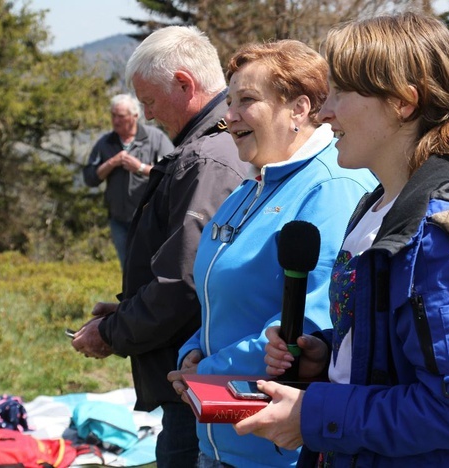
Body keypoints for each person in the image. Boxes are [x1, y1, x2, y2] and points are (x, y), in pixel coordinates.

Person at [234, 13, 449, 467]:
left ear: (404, 103)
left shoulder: (439, 237)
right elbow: (407, 348)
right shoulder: (377, 208)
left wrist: (313, 413)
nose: (323, 111)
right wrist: (330, 354)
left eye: (342, 93)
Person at [167, 40, 377, 467]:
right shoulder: (252, 185)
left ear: (298, 110)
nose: (229, 117)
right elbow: (217, 296)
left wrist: (201, 375)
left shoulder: (330, 188)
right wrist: (191, 349)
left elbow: (309, 323)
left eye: (246, 100)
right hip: (219, 438)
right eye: (228, 102)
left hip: (276, 448)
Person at [70, 26, 249, 468]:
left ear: (185, 85)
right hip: (194, 369)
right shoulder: (217, 145)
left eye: (149, 102)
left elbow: (184, 282)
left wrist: (112, 333)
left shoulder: (206, 159)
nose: (147, 116)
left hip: (194, 376)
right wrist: (127, 309)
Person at [83, 94, 174, 267]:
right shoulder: (106, 143)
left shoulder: (155, 138)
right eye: (113, 115)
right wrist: (112, 163)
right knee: (127, 268)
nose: (115, 120)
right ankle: (130, 296)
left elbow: (172, 172)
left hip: (148, 220)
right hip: (118, 220)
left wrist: (140, 167)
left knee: (150, 268)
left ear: (134, 116)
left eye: (121, 116)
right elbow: (90, 178)